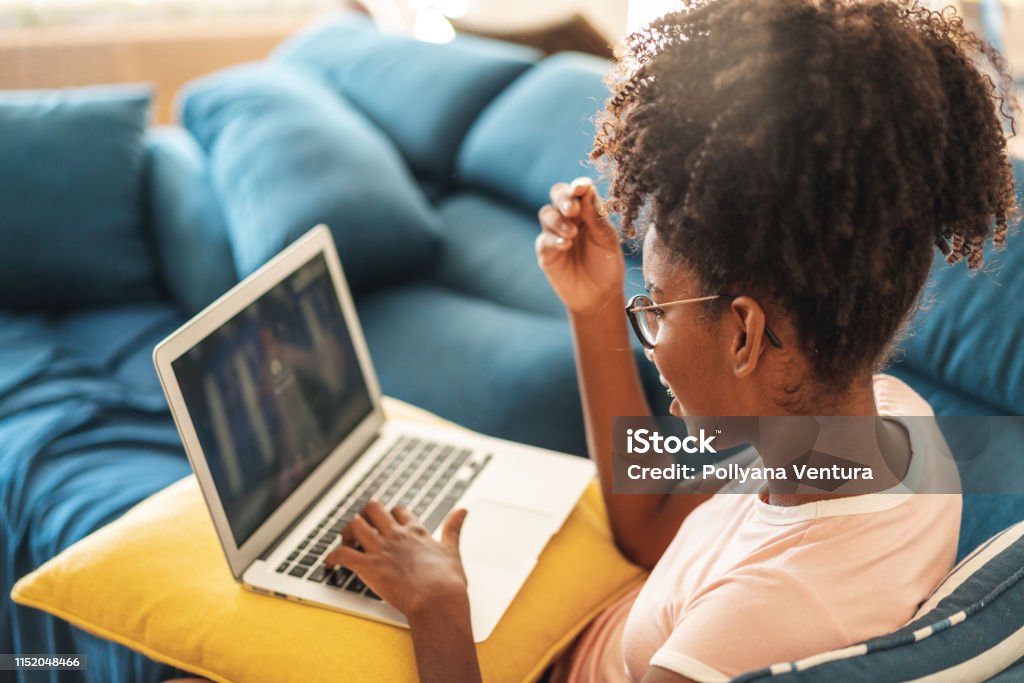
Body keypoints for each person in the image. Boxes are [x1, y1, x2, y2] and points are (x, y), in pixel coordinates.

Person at [321, 0, 1020, 681]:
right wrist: (595, 307)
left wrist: (439, 605)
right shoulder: (887, 426)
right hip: (586, 611)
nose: (648, 333)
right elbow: (650, 526)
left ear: (744, 333)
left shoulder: (755, 624)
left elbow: (713, 588)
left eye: (655, 306)